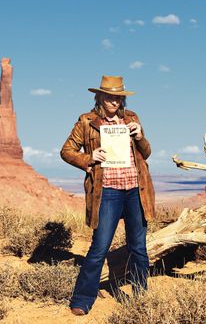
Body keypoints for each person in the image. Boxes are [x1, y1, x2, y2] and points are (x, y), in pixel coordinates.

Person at [60, 75, 155, 316]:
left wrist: (140, 136)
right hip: (107, 192)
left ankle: (141, 298)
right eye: (109, 96)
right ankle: (82, 300)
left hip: (135, 190)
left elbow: (147, 152)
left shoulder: (131, 118)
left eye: (118, 97)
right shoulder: (87, 121)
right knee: (99, 246)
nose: (114, 101)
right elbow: (66, 151)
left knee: (138, 248)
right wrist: (88, 158)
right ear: (100, 97)